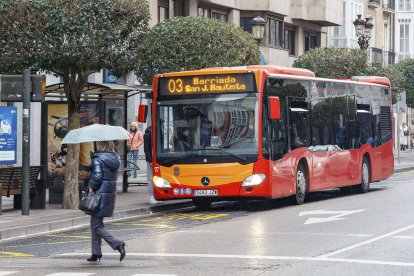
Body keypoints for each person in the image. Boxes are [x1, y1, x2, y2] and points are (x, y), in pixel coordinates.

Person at [87, 140, 126, 262]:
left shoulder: (97, 158)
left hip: (98, 195)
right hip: (108, 195)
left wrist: (91, 186)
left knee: (97, 225)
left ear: (100, 144)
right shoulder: (115, 158)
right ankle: (96, 252)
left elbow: (97, 178)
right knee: (96, 223)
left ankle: (117, 243)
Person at [143, 125, 159, 204]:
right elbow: (146, 149)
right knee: (150, 178)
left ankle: (156, 196)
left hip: (157, 159)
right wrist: (150, 161)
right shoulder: (148, 134)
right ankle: (152, 196)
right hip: (151, 160)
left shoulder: (157, 132)